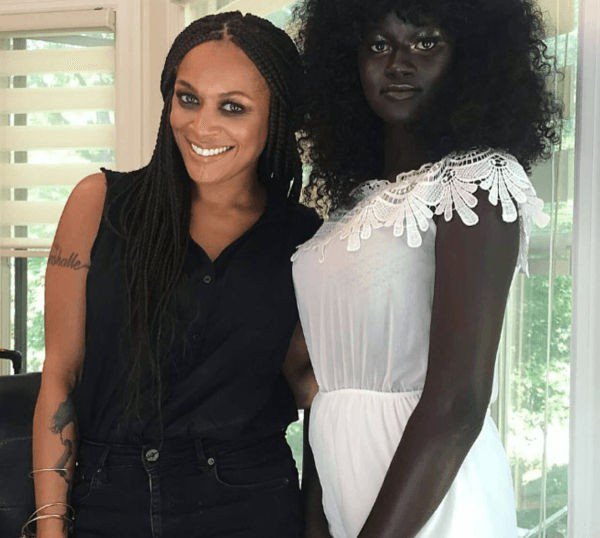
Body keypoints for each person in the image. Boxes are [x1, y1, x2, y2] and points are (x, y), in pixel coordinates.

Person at [31, 12, 320, 538]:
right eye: (188, 99)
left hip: (249, 502)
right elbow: (60, 375)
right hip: (105, 501)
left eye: (232, 107)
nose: (201, 126)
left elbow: (309, 383)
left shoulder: (303, 238)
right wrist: (50, 526)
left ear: (276, 118)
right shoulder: (99, 205)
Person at [292, 0, 561, 536]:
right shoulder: (354, 206)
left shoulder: (476, 181)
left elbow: (458, 402)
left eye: (425, 42)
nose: (398, 63)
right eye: (378, 44)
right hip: (350, 500)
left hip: (437, 505)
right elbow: (326, 391)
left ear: (470, 55)